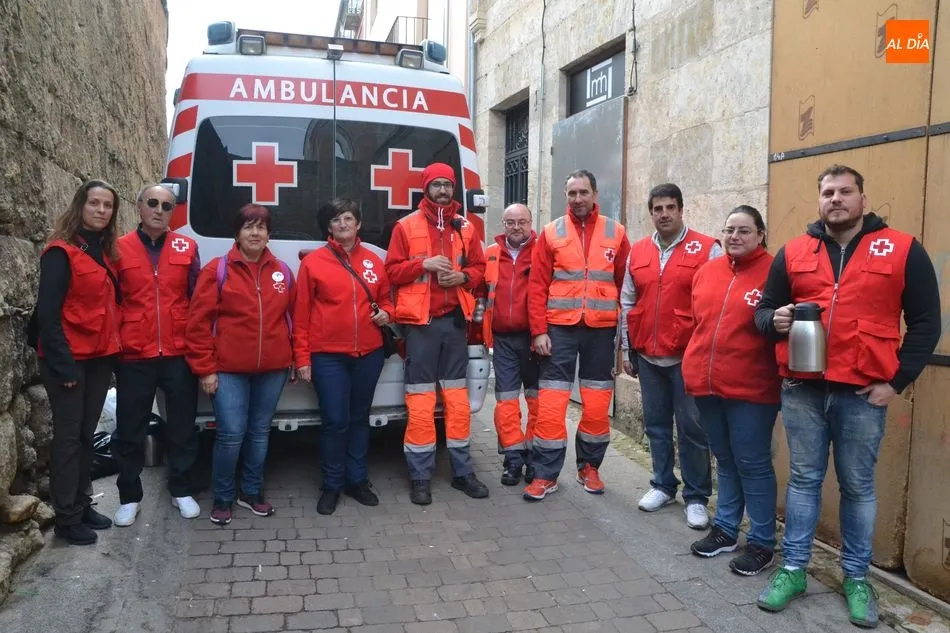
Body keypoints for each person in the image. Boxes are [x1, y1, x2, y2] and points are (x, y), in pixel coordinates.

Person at [754, 164, 941, 628]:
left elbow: (926, 324)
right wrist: (772, 320)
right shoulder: (795, 251)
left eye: (844, 191)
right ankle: (794, 570)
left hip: (862, 393)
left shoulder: (901, 249)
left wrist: (896, 382)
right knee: (802, 480)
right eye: (827, 192)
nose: (835, 199)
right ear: (818, 200)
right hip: (802, 391)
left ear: (862, 197)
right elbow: (762, 312)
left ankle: (857, 577)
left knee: (858, 488)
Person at [681, 205, 780, 576]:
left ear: (760, 235)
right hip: (706, 384)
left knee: (752, 462)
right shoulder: (707, 272)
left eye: (744, 230)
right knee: (724, 458)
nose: (735, 237)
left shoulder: (775, 273)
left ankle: (762, 542)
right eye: (729, 230)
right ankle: (725, 529)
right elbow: (698, 324)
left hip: (752, 387)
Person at [385, 162, 490, 505]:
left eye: (448, 185)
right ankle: (420, 476)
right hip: (421, 325)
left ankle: (462, 472)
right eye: (437, 185)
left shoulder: (466, 227)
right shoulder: (406, 226)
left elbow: (479, 268)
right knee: (420, 401)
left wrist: (463, 279)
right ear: (425, 189)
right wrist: (423, 265)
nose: (443, 190)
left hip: (455, 323)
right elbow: (392, 272)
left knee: (458, 402)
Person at [185, 204, 296, 526]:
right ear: (237, 233)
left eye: (261, 227)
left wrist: (290, 357)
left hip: (272, 369)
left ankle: (251, 492)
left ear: (269, 233)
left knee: (260, 433)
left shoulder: (283, 271)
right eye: (248, 226)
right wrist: (205, 368)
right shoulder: (217, 270)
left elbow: (293, 318)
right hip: (228, 370)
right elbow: (197, 323)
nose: (255, 233)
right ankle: (222, 497)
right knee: (231, 435)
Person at [621, 182, 722, 529]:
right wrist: (626, 349)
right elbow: (628, 303)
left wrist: (709, 355)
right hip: (648, 355)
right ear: (650, 213)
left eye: (669, 208)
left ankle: (696, 497)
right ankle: (663, 484)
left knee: (692, 429)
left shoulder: (708, 249)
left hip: (687, 357)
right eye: (657, 209)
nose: (663, 214)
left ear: (681, 209)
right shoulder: (638, 252)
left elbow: (718, 304)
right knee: (657, 426)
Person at [525, 169, 629, 501]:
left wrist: (624, 337)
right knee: (553, 403)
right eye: (572, 193)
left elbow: (627, 285)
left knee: (597, 403)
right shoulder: (551, 232)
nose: (578, 199)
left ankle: (590, 467)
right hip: (559, 329)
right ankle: (545, 474)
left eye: (583, 192)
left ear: (595, 194)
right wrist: (539, 330)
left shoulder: (616, 232)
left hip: (601, 330)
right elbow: (537, 285)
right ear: (565, 196)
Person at [35, 179, 122, 545]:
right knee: (69, 439)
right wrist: (64, 366)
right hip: (69, 361)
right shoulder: (61, 253)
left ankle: (82, 503)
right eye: (95, 204)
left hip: (100, 358)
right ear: (80, 207)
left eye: (108, 206)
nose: (101, 211)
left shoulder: (106, 252)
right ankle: (66, 518)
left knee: (86, 436)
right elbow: (47, 317)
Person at [294, 198, 393, 515]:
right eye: (336, 220)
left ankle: (357, 481)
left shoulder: (374, 261)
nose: (342, 224)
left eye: (348, 218)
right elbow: (301, 315)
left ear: (358, 224)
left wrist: (387, 314)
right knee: (335, 422)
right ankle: (332, 485)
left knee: (359, 419)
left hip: (369, 354)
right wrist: (302, 358)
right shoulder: (314, 262)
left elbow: (388, 299)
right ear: (329, 228)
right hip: (328, 357)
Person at [112, 184, 202, 526]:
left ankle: (181, 489)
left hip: (178, 352)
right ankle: (129, 496)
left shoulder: (186, 246)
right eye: (152, 203)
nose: (159, 210)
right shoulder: (119, 248)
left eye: (167, 205)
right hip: (135, 352)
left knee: (181, 426)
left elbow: (197, 297)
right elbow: (112, 299)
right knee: (130, 429)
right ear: (139, 207)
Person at [481, 203, 539, 486]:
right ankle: (513, 459)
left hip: (536, 339)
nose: (516, 227)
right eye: (510, 222)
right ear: (503, 225)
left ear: (531, 222)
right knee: (506, 401)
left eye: (522, 222)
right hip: (503, 340)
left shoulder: (543, 252)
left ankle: (534, 456)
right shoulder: (490, 254)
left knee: (538, 401)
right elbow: (479, 296)